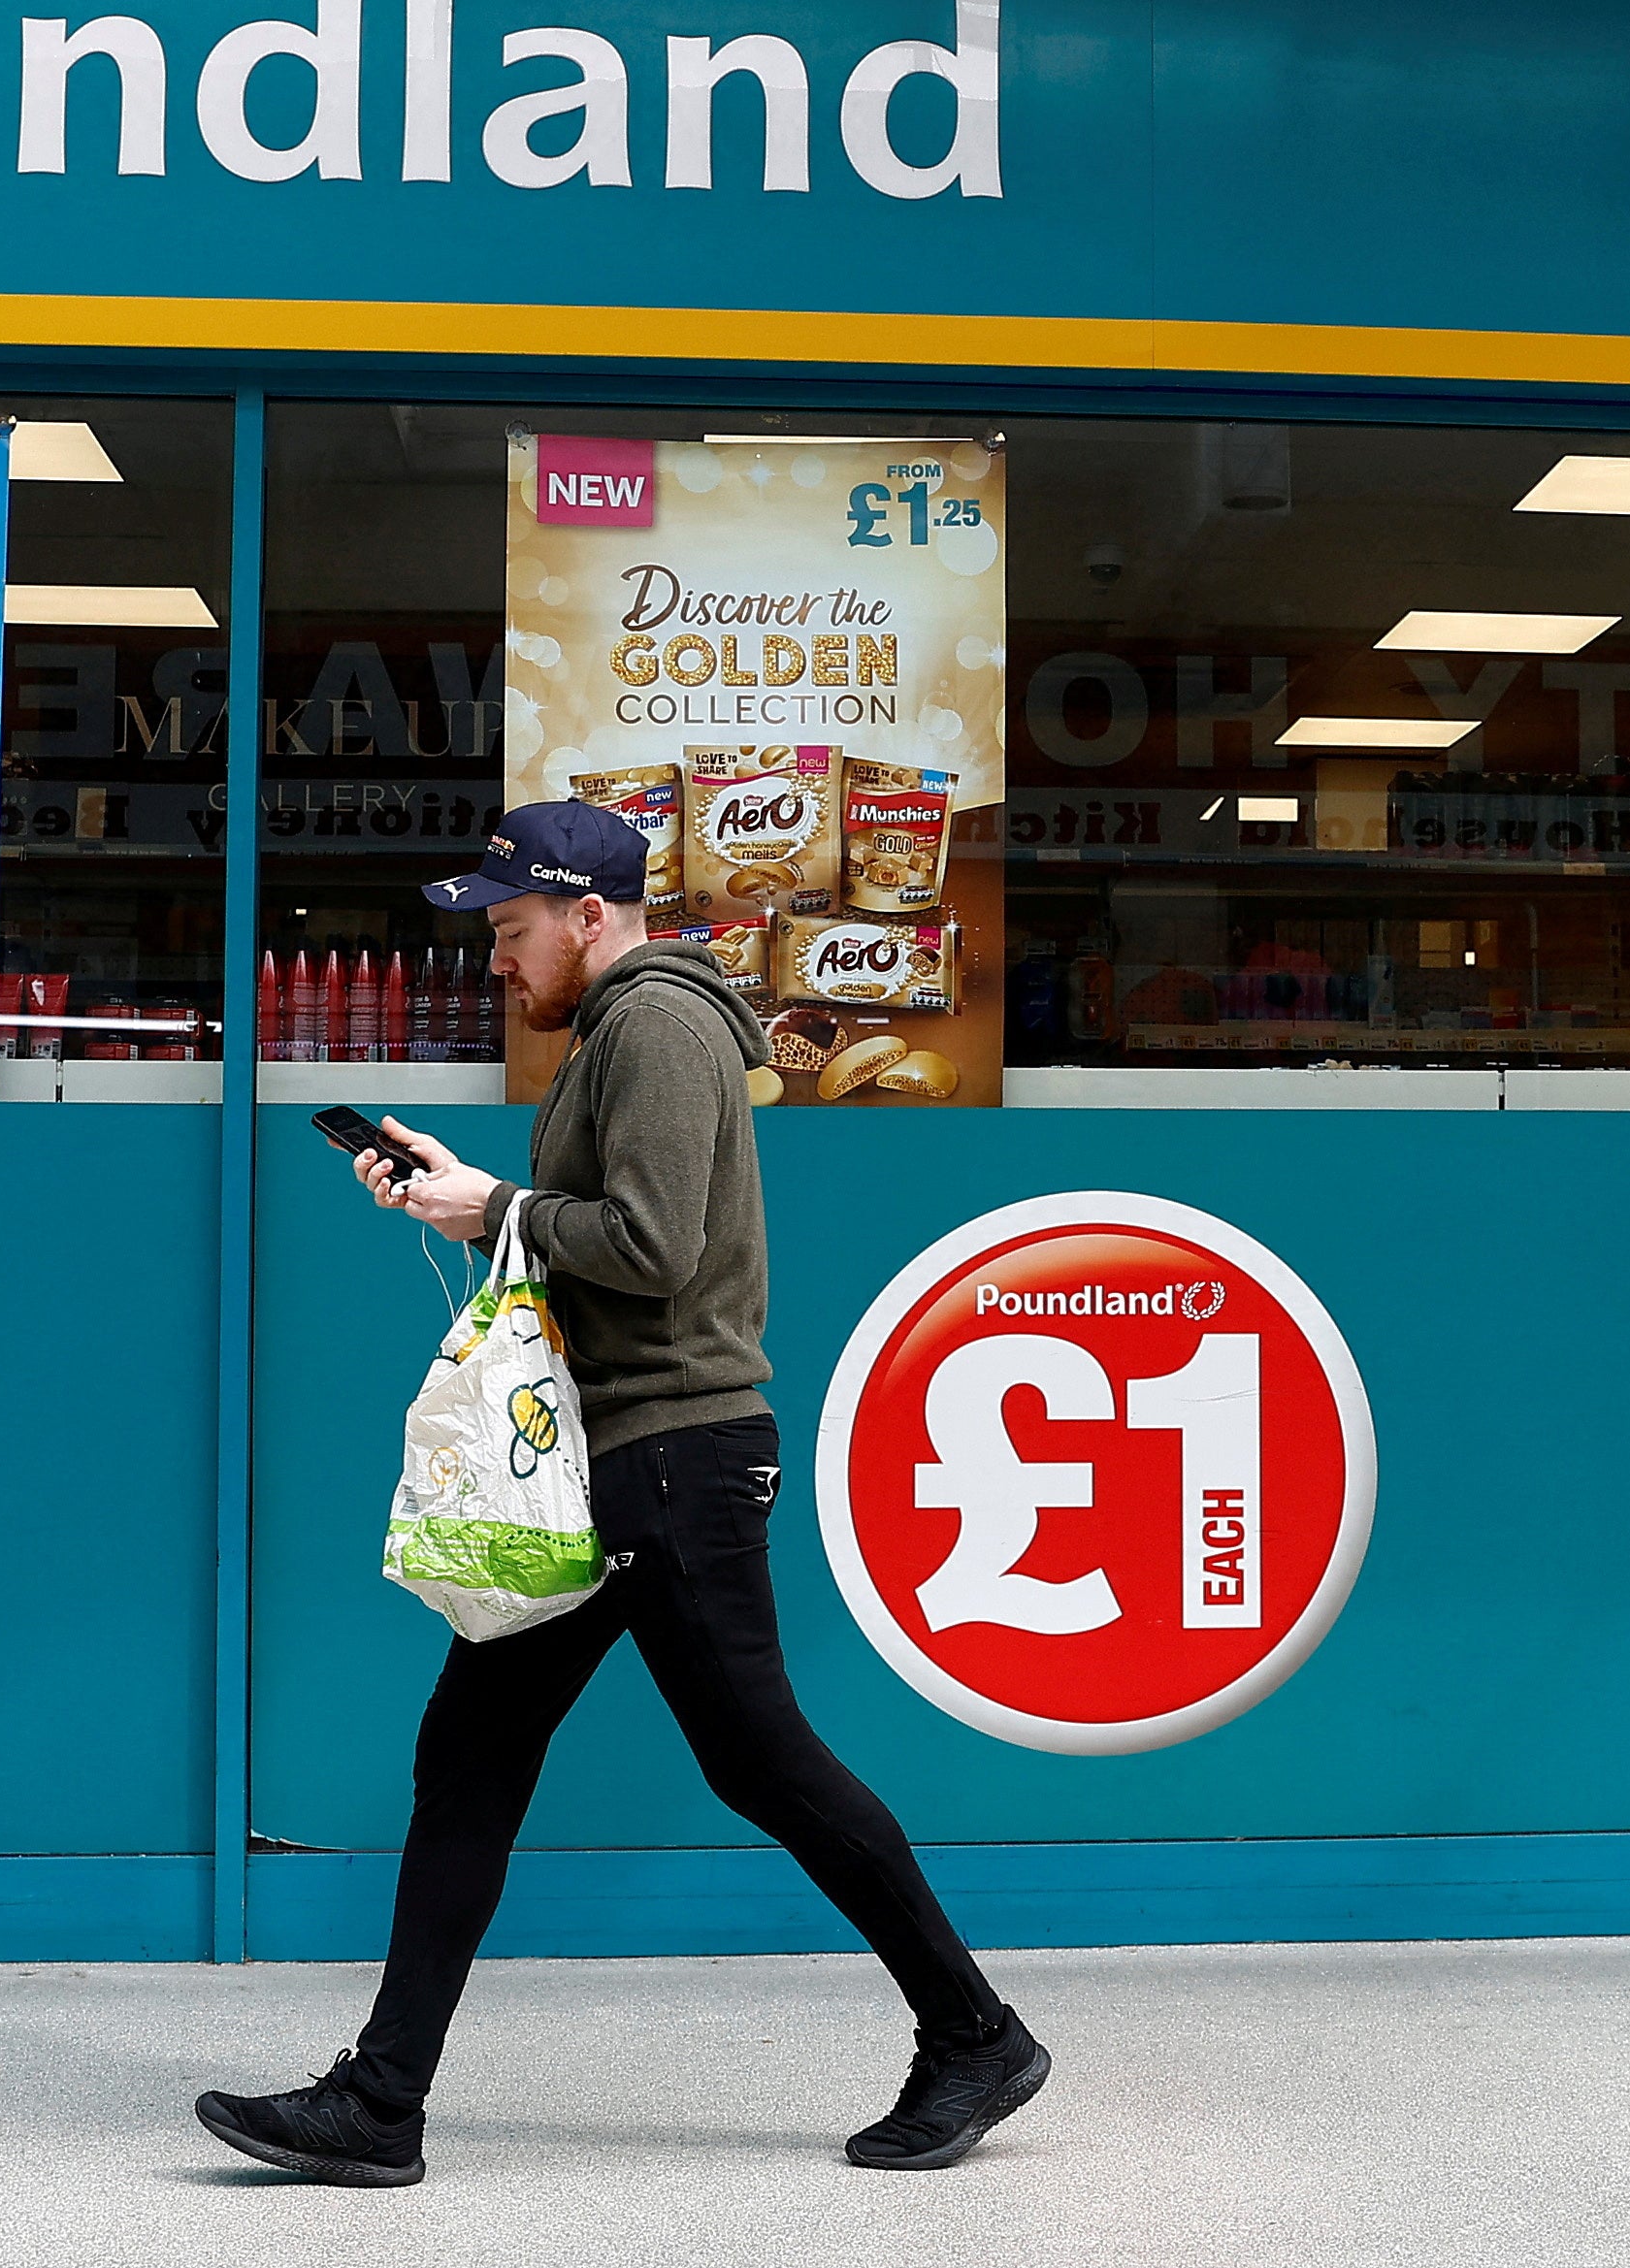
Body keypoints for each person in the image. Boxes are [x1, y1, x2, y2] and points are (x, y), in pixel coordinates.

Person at [195, 797, 1049, 2188]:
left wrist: (500, 1210)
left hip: (673, 1454)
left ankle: (975, 2033)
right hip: (607, 1456)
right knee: (469, 1755)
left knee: (761, 1757)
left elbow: (651, 1246)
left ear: (589, 913)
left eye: (511, 928)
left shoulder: (654, 1022)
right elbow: (599, 1232)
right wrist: (464, 1196)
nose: (493, 959)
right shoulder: (622, 1027)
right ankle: (380, 2102)